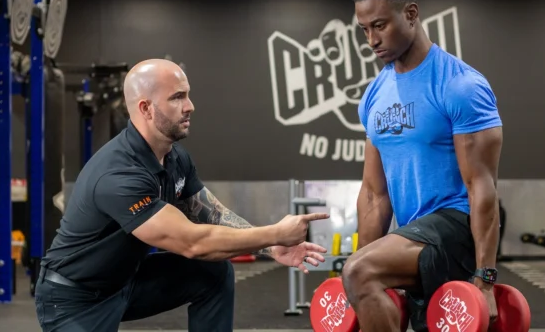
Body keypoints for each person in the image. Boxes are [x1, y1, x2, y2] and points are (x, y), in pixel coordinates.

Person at [33, 58, 329, 332]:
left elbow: (211, 214)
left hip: (126, 281)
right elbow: (194, 242)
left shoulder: (175, 159)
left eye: (187, 94)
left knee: (213, 271)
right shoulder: (118, 174)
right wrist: (275, 234)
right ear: (146, 108)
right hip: (74, 299)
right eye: (177, 97)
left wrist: (270, 248)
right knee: (205, 255)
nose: (190, 106)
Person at [340, 0, 504, 331]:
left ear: (411, 14)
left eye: (379, 25)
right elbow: (374, 194)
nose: (371, 39)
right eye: (364, 29)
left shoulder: (460, 86)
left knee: (361, 271)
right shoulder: (374, 96)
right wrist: (361, 284)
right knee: (370, 281)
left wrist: (486, 278)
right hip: (413, 235)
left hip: (458, 227)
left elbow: (481, 186)